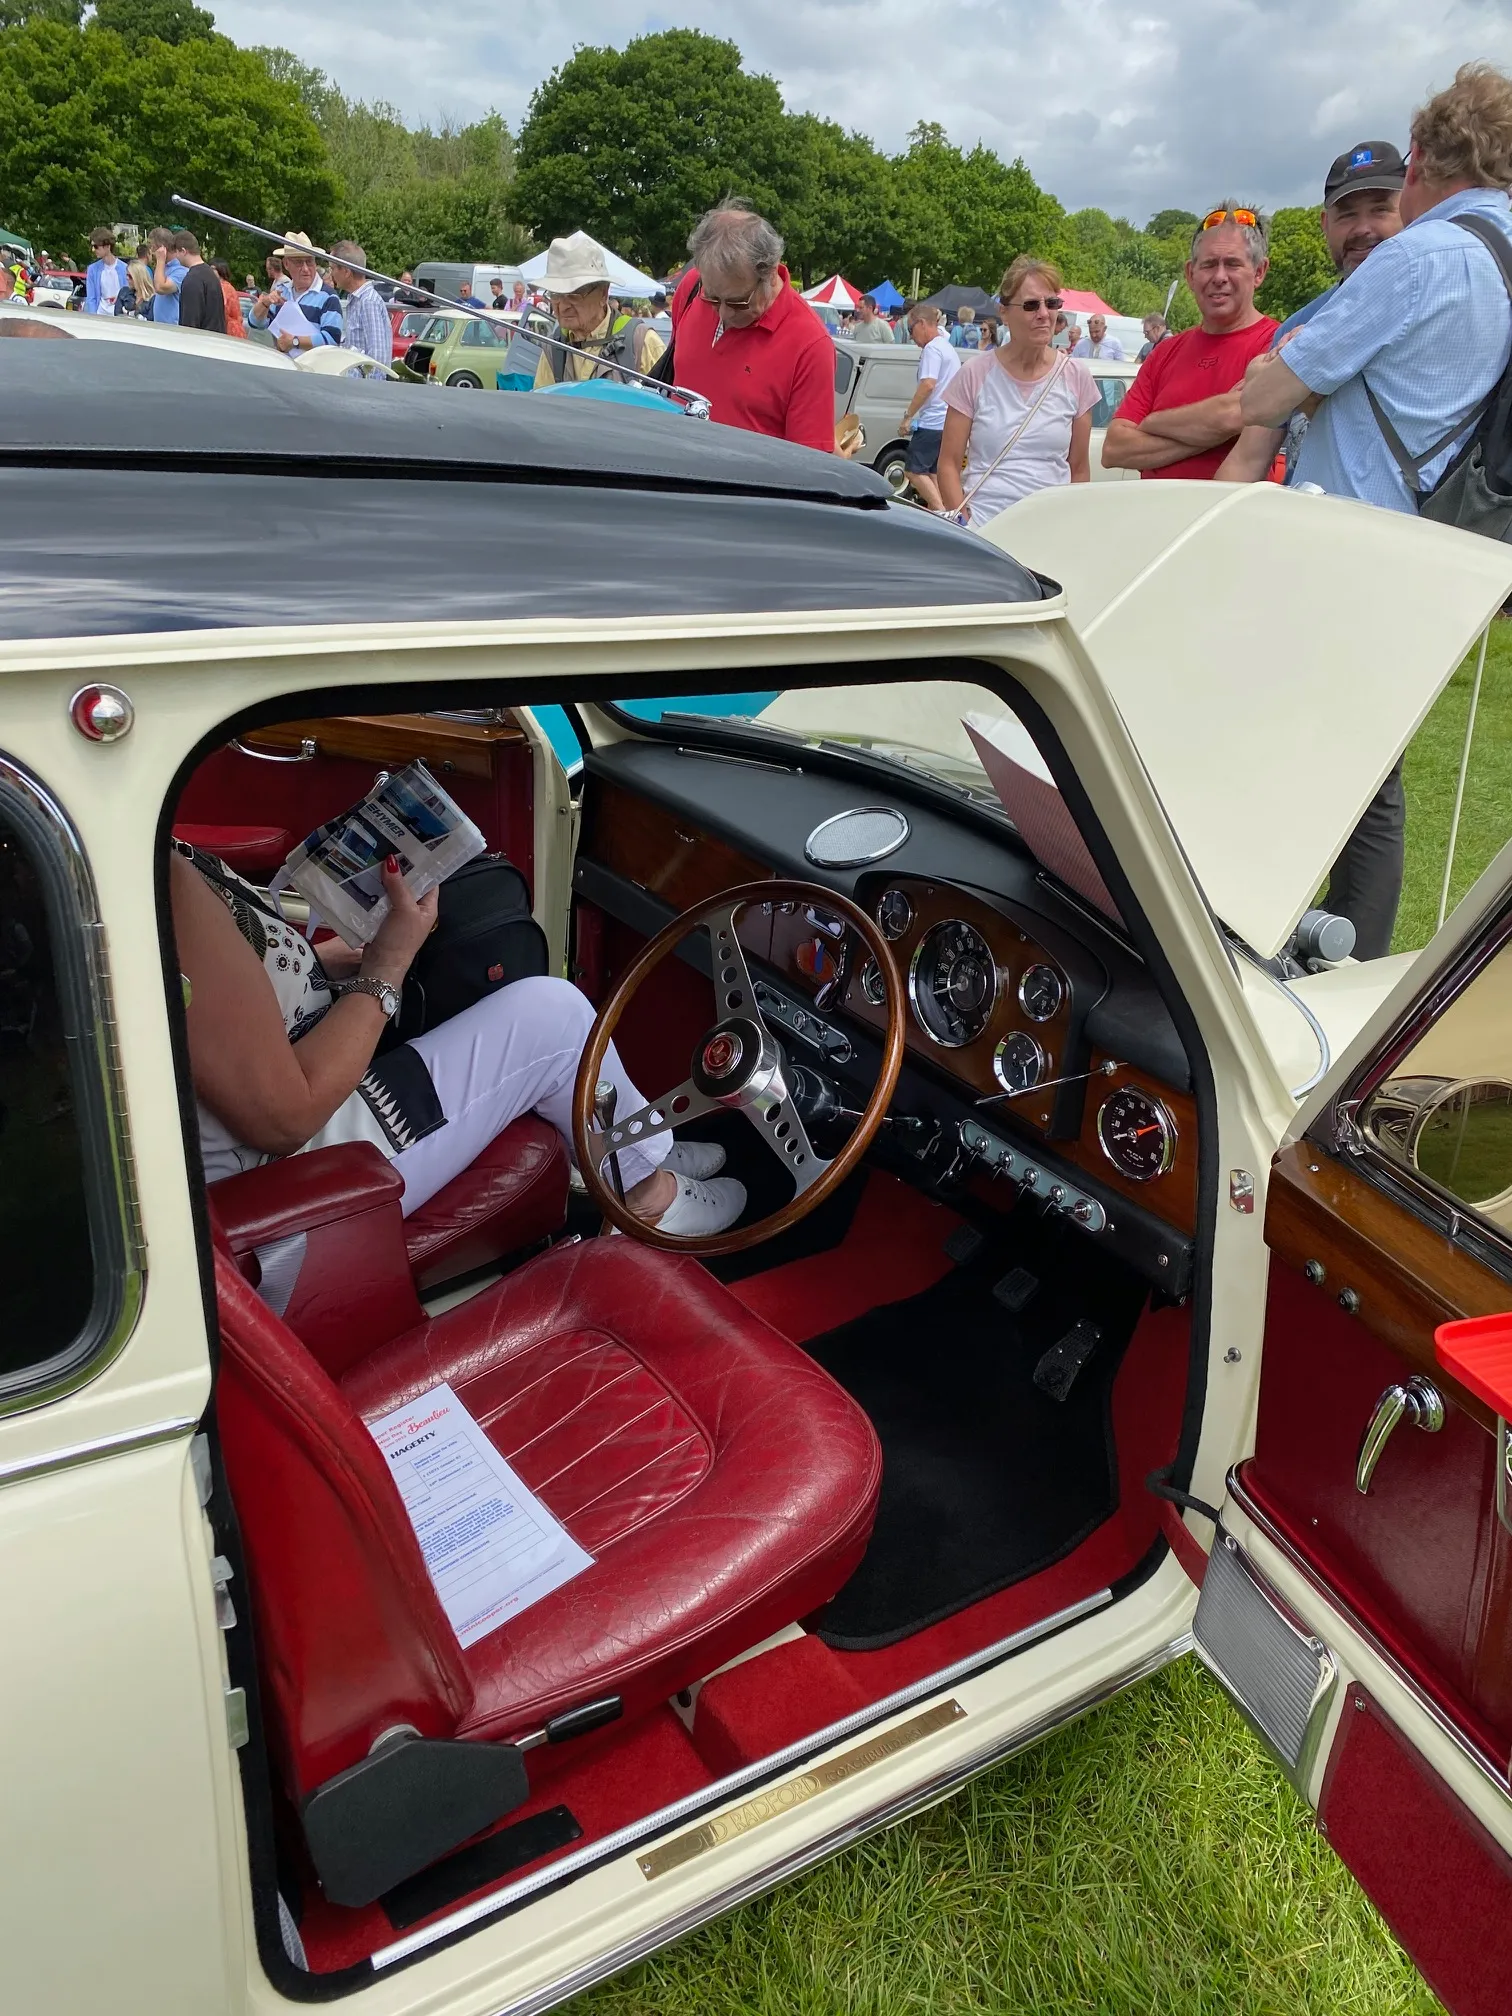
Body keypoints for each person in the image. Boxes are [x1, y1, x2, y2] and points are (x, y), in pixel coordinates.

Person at [1240, 67, 1512, 959]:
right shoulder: (1501, 254)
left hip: (1348, 541)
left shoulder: (1423, 255)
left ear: (1424, 157)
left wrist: (1301, 380)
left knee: (1323, 758)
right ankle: (1338, 947)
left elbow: (1266, 392)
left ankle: (1324, 947)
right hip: (1443, 545)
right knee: (1368, 764)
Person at [169, 844, 746, 1241]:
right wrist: (387, 964)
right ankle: (645, 1194)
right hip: (274, 1176)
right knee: (557, 1017)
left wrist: (332, 963)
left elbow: (222, 994)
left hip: (277, 1072)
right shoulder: (158, 878)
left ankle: (650, 1148)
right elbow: (284, 1117)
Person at [1218, 140, 1406, 483]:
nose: (1362, 228)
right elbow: (1248, 459)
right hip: (1308, 524)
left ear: (1410, 209)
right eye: (1347, 214)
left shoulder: (1429, 314)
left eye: (1380, 210)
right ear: (1325, 223)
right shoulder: (1300, 324)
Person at [1102, 206, 1276, 477]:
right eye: (1208, 264)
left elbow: (1235, 413)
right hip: (1153, 516)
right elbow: (1114, 449)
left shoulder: (1277, 343)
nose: (1219, 277)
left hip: (1230, 517)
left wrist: (1153, 422)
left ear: (1259, 272)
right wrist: (1216, 427)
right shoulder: (1165, 353)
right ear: (1190, 274)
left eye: (1232, 264)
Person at [938, 256, 1097, 527]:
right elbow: (948, 464)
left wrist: (1070, 526)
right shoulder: (975, 373)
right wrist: (965, 525)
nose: (1044, 314)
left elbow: (1079, 469)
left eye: (1052, 303)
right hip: (985, 531)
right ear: (1004, 312)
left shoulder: (1076, 376)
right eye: (1031, 305)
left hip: (1049, 534)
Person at [668, 203, 835, 452]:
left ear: (769, 273)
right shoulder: (692, 289)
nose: (723, 312)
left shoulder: (811, 345)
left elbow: (809, 468)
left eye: (737, 302)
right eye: (712, 299)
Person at [532, 233, 663, 386]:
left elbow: (667, 406)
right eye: (555, 294)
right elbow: (540, 406)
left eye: (574, 294)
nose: (563, 305)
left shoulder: (642, 342)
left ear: (603, 293)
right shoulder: (553, 349)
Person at [896, 302, 960, 508]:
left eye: (910, 329)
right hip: (946, 422)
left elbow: (928, 384)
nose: (911, 336)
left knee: (913, 471)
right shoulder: (946, 346)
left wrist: (908, 416)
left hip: (932, 421)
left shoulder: (932, 349)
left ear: (922, 324)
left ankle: (942, 513)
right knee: (932, 473)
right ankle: (944, 512)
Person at [248, 231, 343, 352]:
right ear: (286, 264)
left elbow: (333, 340)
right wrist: (265, 303)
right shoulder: (281, 291)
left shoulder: (329, 296)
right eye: (299, 262)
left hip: (313, 369)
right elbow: (255, 323)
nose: (305, 269)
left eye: (309, 261)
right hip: (285, 367)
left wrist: (295, 341)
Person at [328, 240, 392, 365]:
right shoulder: (357, 300)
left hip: (363, 384)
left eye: (332, 268)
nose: (331, 273)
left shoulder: (368, 302)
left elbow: (377, 359)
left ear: (346, 272)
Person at [171, 232, 226, 334]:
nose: (176, 258)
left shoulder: (192, 280)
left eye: (177, 253)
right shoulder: (211, 274)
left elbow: (190, 323)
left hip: (201, 344)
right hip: (216, 340)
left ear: (183, 251)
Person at [145, 227, 185, 325]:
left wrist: (160, 260)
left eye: (153, 247)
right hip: (161, 327)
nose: (151, 252)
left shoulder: (181, 270)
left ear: (161, 248)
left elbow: (160, 287)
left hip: (172, 330)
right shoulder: (164, 268)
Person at [85, 229, 127, 317]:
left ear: (107, 246)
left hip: (120, 315)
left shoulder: (125, 268)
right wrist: (93, 317)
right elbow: (91, 298)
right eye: (92, 246)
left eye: (96, 246)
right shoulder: (92, 269)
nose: (93, 250)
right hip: (100, 314)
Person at [210, 259, 246, 338]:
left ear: (221, 270)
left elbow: (223, 311)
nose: (210, 271)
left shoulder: (223, 287)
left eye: (213, 269)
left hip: (230, 330)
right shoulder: (227, 286)